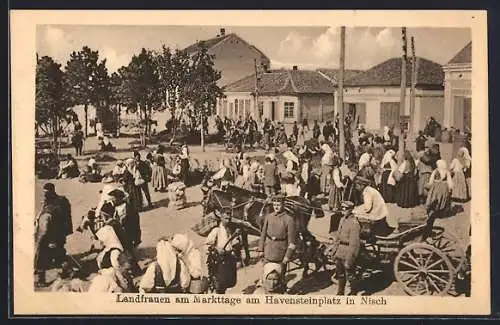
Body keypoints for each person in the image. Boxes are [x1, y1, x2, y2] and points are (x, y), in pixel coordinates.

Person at [35, 183, 73, 287]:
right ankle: (65, 272)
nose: (44, 195)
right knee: (59, 254)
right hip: (58, 234)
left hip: (51, 235)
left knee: (43, 256)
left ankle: (41, 280)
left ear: (51, 191)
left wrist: (52, 240)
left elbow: (56, 223)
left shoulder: (55, 206)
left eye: (46, 192)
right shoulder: (61, 200)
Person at [258, 195, 297, 290]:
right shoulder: (269, 217)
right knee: (266, 277)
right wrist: (261, 249)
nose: (276, 207)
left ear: (283, 205)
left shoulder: (289, 219)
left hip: (281, 254)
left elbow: (292, 243)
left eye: (278, 205)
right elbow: (263, 235)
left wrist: (287, 257)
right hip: (268, 251)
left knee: (280, 279)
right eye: (274, 204)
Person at [331, 201, 360, 295]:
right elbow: (338, 238)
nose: (343, 210)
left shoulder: (354, 223)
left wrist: (350, 259)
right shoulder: (342, 220)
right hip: (340, 251)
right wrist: (334, 251)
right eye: (342, 208)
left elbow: (354, 244)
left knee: (350, 275)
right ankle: (340, 292)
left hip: (348, 251)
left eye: (345, 209)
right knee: (340, 274)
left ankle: (353, 292)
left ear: (351, 210)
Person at [205, 213, 238, 294]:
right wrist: (217, 248)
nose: (228, 220)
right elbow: (207, 244)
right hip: (219, 259)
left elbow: (232, 243)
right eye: (226, 218)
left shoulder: (229, 230)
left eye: (229, 219)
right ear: (221, 218)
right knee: (220, 283)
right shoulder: (216, 230)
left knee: (229, 281)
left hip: (229, 259)